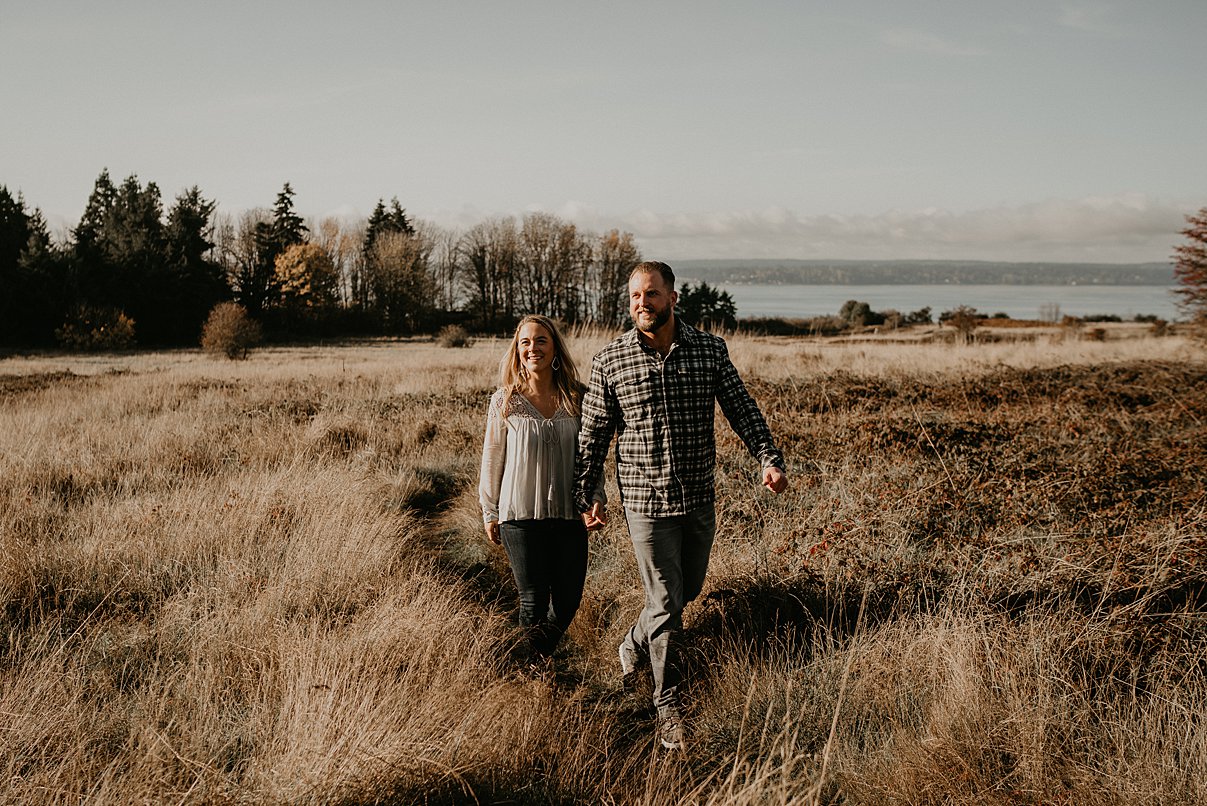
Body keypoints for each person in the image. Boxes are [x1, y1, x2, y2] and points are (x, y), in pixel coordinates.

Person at [574, 261, 788, 750]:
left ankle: (633, 640)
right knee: (669, 602)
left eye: (650, 294)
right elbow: (592, 436)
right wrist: (587, 494)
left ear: (673, 297)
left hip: (696, 498)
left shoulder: (709, 350)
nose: (641, 304)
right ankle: (668, 703)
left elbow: (741, 407)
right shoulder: (611, 361)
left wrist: (768, 458)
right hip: (644, 502)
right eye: (633, 296)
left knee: (686, 589)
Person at [479, 314, 598, 664]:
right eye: (525, 342)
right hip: (519, 515)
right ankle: (527, 677)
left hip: (568, 514)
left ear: (555, 348)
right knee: (532, 600)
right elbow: (492, 458)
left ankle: (517, 661)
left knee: (567, 602)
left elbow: (592, 457)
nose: (533, 348)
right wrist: (490, 511)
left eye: (541, 341)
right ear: (517, 350)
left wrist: (595, 498)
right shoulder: (505, 401)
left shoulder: (579, 398)